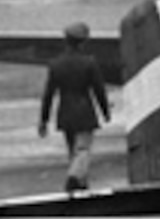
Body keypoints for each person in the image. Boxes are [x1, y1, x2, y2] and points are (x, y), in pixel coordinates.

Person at [39, 21, 109, 192]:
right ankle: (75, 178)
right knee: (83, 150)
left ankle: (81, 186)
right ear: (83, 42)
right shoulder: (89, 63)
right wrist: (105, 110)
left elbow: (48, 94)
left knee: (73, 152)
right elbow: (98, 89)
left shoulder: (56, 65)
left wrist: (44, 119)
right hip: (85, 111)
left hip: (66, 113)